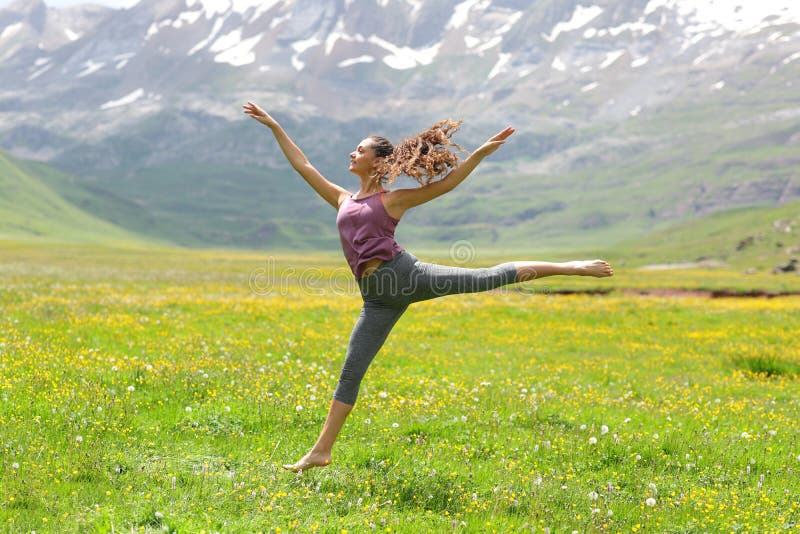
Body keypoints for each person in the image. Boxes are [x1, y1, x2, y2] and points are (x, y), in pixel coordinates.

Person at [242, 101, 614, 472]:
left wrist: (481, 153)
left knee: (488, 277)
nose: (352, 153)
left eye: (360, 149)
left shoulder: (394, 200)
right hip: (376, 302)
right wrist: (275, 126)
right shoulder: (342, 198)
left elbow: (447, 184)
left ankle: (572, 266)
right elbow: (303, 164)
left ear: (377, 161)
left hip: (406, 276)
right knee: (351, 372)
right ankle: (321, 451)